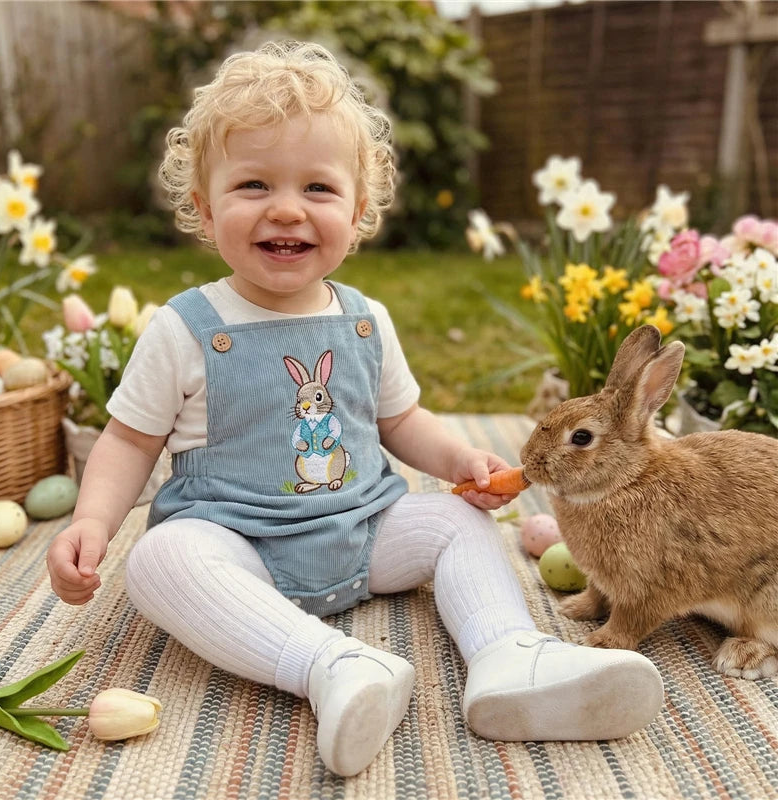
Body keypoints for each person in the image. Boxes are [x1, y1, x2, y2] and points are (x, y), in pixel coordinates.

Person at [47, 41, 663, 777]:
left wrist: (458, 460)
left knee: (456, 520)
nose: (285, 208)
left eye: (317, 188)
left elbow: (401, 420)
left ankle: (510, 658)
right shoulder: (185, 327)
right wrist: (91, 523)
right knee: (157, 561)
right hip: (239, 545)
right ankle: (336, 668)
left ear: (359, 210)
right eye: (252, 185)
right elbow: (127, 440)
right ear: (205, 212)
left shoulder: (365, 320)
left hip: (365, 531)